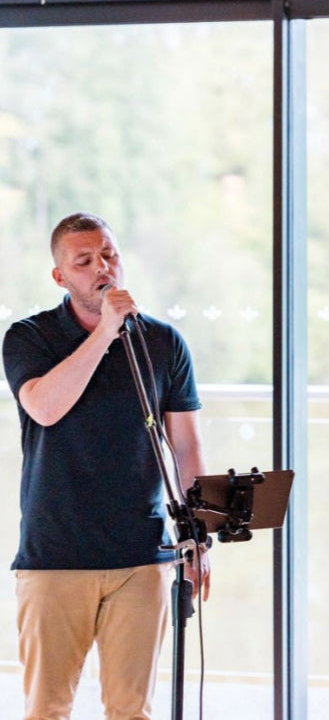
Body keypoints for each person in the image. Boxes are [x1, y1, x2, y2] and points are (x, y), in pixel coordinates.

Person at [2, 212, 211, 720]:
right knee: (47, 709)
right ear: (60, 276)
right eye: (85, 261)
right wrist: (104, 335)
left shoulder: (162, 342)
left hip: (141, 556)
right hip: (55, 555)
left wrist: (199, 536)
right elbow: (45, 408)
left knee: (131, 711)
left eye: (109, 255)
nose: (103, 268)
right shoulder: (29, 338)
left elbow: (185, 446)